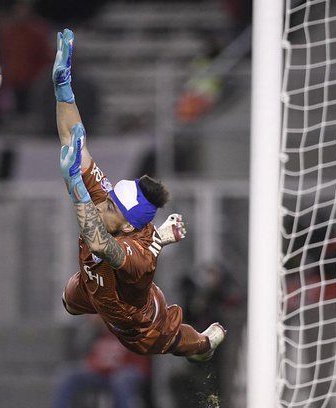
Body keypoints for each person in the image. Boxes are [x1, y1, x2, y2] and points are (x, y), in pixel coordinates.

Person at [53, 28, 226, 361]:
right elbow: (74, 140)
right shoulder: (109, 203)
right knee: (68, 301)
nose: (103, 204)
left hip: (135, 322)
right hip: (92, 284)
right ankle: (164, 236)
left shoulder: (137, 256)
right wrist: (63, 88)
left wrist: (75, 187)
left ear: (130, 227)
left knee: (175, 338)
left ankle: (203, 347)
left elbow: (102, 243)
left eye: (112, 208)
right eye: (108, 199)